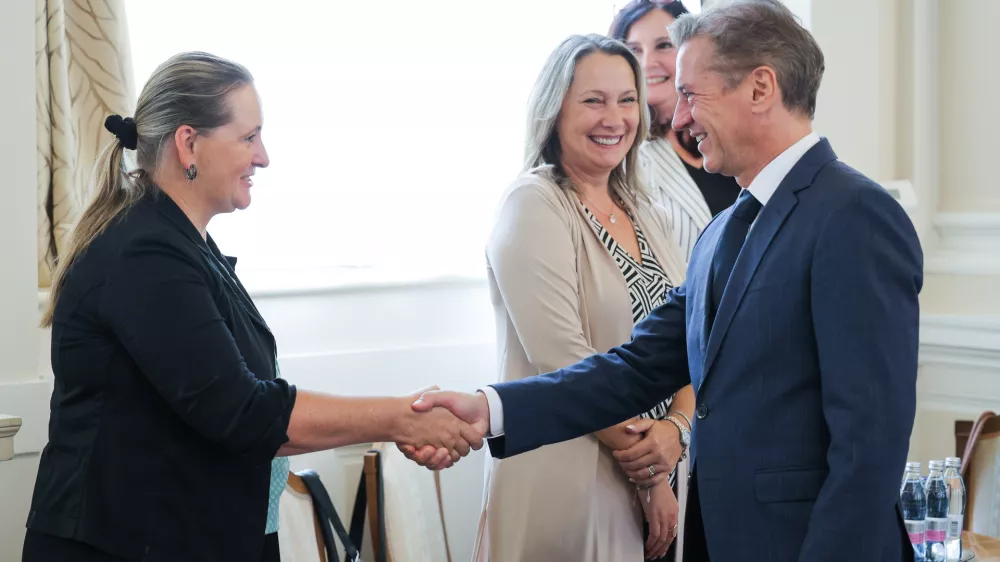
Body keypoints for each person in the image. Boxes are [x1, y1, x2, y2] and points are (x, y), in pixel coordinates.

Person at [403, 1, 923, 561]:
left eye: (693, 95)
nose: (677, 120)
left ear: (760, 88)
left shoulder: (855, 216)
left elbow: (867, 451)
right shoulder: (721, 232)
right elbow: (635, 368)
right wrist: (492, 410)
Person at [23, 51, 481, 562]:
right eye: (248, 137)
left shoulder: (182, 245)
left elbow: (249, 409)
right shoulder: (144, 254)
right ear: (189, 142)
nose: (263, 157)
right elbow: (242, 411)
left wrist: (399, 419)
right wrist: (399, 418)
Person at [472, 34, 693, 562]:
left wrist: (677, 432)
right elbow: (565, 362)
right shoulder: (534, 204)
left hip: (659, 470)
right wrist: (649, 475)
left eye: (626, 100)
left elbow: (689, 337)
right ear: (554, 110)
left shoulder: (645, 210)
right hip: (567, 479)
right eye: (592, 101)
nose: (612, 118)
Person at [610, 0, 742, 259]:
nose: (647, 62)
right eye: (634, 50)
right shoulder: (621, 158)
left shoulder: (726, 141)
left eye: (664, 45)